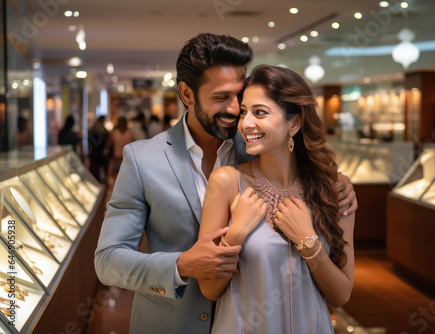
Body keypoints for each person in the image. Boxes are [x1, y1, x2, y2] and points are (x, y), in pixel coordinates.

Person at [94, 33, 357, 334]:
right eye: (221, 97)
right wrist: (182, 265)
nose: (235, 110)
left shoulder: (258, 147)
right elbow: (108, 260)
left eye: (240, 96)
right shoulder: (142, 159)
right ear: (187, 94)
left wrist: (336, 182)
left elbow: (299, 162)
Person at [197, 65, 355, 333]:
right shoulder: (227, 182)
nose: (246, 124)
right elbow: (209, 289)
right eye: (244, 112)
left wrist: (308, 241)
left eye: (260, 112)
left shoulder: (333, 190)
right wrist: (234, 235)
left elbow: (341, 295)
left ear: (294, 122)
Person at [107, 116, 135, 182]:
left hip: (117, 159)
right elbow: (134, 145)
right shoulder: (130, 133)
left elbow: (108, 144)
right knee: (125, 181)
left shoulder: (114, 133)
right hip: (125, 159)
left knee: (115, 181)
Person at [88, 116, 109, 182]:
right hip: (96, 152)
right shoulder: (98, 130)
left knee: (96, 168)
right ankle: (96, 180)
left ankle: (97, 180)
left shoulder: (96, 129)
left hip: (96, 152)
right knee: (95, 168)